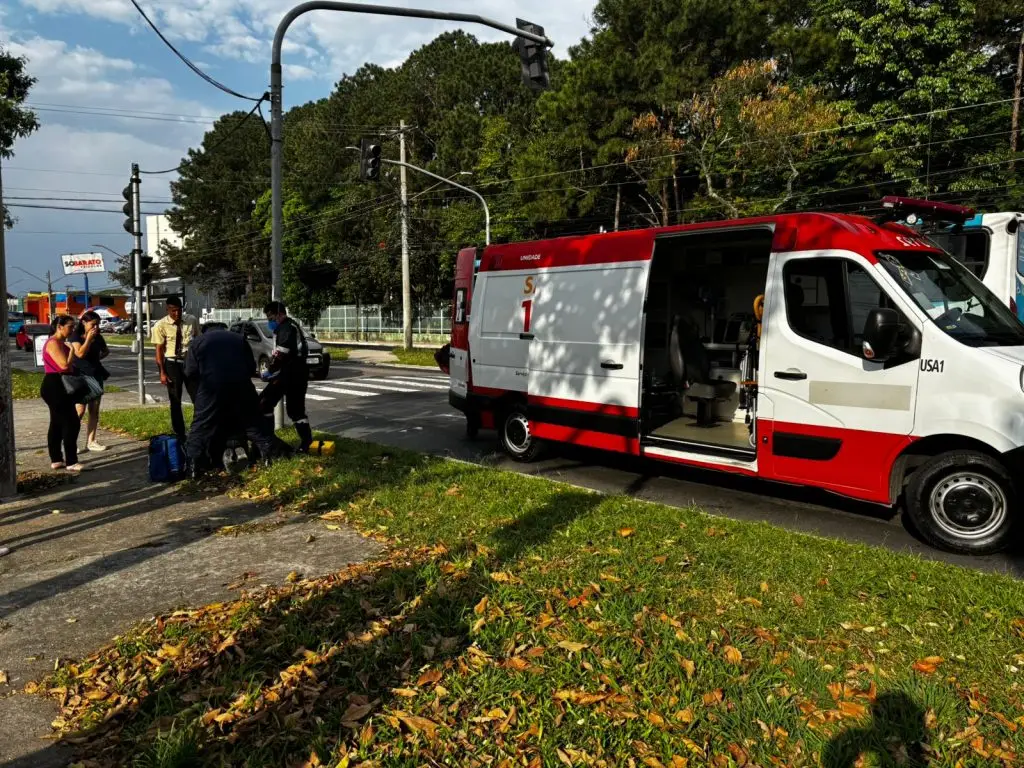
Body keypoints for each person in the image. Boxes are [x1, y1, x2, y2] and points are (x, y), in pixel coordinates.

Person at [184, 328, 277, 477]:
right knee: (252, 422)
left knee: (201, 426)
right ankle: (269, 457)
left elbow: (190, 372)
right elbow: (251, 367)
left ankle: (193, 467)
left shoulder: (197, 342)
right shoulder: (239, 339)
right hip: (241, 384)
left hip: (211, 386)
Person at [259, 301, 314, 452]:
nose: (269, 322)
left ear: (280, 314)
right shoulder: (290, 326)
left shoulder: (286, 328)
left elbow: (281, 354)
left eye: (271, 318)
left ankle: (268, 440)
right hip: (298, 373)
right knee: (296, 410)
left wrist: (270, 370)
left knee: (264, 402)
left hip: (290, 373)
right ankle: (307, 443)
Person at [40, 315, 84, 472]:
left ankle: (57, 459)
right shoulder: (53, 343)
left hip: (61, 384)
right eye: (70, 327)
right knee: (71, 422)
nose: (72, 330)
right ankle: (71, 461)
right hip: (55, 385)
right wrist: (71, 350)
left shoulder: (61, 342)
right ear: (59, 326)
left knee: (57, 423)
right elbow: (64, 365)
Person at [152, 296, 200, 440]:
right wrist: (162, 372)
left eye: (179, 311)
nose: (176, 314)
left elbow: (199, 340)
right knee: (175, 399)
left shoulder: (191, 320)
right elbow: (159, 351)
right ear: (167, 309)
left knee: (197, 397)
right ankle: (179, 432)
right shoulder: (160, 325)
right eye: (173, 311)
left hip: (189, 362)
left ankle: (198, 429)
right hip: (172, 363)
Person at [70, 310, 110, 452]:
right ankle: (71, 442)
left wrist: (97, 359)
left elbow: (106, 351)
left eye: (98, 325)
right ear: (84, 322)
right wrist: (88, 339)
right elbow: (79, 353)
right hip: (81, 375)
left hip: (95, 374)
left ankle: (91, 441)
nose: (96, 328)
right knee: (80, 410)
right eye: (93, 324)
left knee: (95, 409)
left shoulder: (98, 337)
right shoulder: (76, 336)